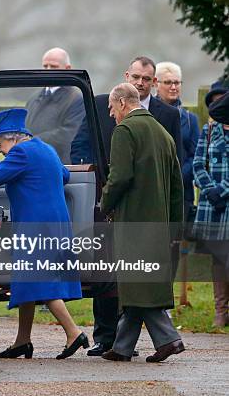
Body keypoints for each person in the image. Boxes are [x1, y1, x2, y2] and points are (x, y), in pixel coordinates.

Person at [0, 108, 89, 360]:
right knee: (28, 280)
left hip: (35, 226)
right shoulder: (46, 149)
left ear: (12, 137)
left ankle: (74, 332)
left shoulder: (20, 152)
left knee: (39, 281)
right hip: (57, 225)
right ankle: (22, 341)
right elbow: (63, 176)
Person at [86, 56, 184, 357]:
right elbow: (177, 184)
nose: (112, 115)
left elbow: (120, 177)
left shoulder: (125, 131)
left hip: (133, 222)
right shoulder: (162, 133)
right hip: (159, 223)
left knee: (136, 284)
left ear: (123, 103)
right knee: (138, 285)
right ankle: (122, 347)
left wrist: (105, 204)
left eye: (112, 109)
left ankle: (169, 340)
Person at [192, 86, 229, 328]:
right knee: (218, 258)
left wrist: (223, 190)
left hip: (225, 200)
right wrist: (210, 190)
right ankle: (221, 311)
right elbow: (197, 163)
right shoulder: (208, 131)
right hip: (212, 206)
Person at [25, 48, 85, 164]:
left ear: (67, 69)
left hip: (58, 166)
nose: (48, 70)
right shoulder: (33, 99)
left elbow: (68, 135)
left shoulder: (77, 99)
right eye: (45, 66)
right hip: (31, 163)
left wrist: (30, 142)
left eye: (53, 67)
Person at [155, 62, 199, 217]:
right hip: (154, 189)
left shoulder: (190, 119)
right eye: (168, 82)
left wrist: (178, 176)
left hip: (183, 190)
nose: (173, 87)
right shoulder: (149, 114)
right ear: (156, 84)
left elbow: (196, 155)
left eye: (177, 82)